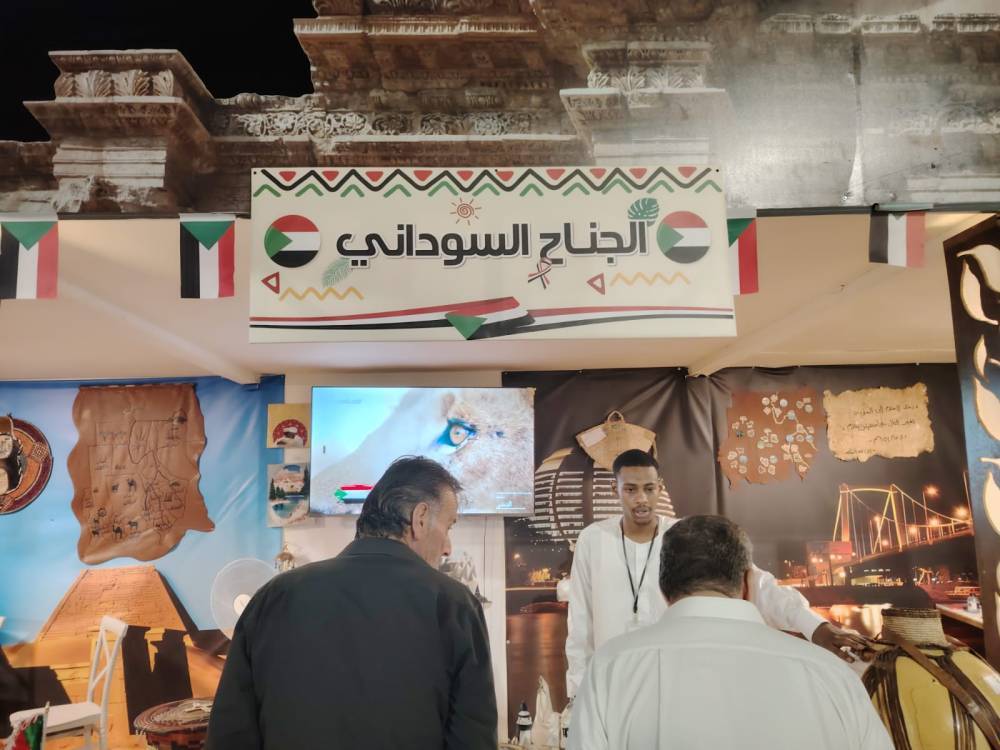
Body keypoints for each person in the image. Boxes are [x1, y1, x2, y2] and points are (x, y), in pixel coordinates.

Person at [205, 456, 497, 750]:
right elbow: (472, 739)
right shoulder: (455, 605)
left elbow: (230, 735)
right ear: (419, 518)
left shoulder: (273, 596)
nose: (447, 548)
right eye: (449, 527)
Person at [568, 515, 892, 749]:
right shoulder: (833, 676)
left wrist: (815, 626)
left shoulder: (609, 670)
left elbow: (579, 624)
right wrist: (815, 629)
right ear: (747, 584)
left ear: (664, 590)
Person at [565, 449, 869, 698]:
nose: (641, 499)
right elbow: (580, 624)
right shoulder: (593, 540)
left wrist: (815, 627)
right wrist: (578, 692)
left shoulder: (683, 534)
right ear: (615, 490)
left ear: (660, 487)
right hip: (613, 683)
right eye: (630, 490)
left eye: (649, 488)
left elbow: (758, 583)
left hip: (677, 681)